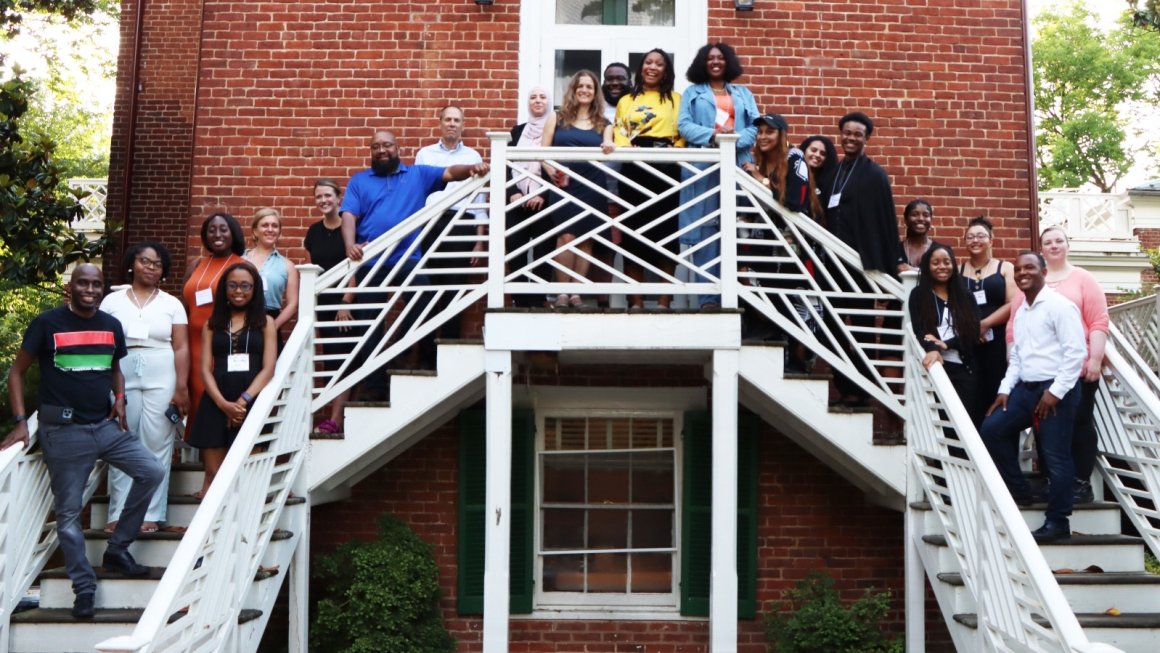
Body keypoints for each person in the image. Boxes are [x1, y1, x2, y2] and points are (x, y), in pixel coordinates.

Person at [2, 264, 163, 618]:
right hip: (64, 432)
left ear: (103, 289)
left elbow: (115, 369)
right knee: (69, 513)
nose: (90, 289)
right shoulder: (47, 323)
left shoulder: (110, 325)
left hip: (104, 426)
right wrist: (19, 421)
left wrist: (119, 398)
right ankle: (83, 587)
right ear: (70, 287)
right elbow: (17, 372)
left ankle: (118, 548)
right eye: (83, 283)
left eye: (96, 284)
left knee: (151, 471)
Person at [340, 129, 488, 399]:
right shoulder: (359, 180)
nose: (381, 150)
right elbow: (348, 214)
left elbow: (450, 172)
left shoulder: (417, 175)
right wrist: (350, 244)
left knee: (425, 300)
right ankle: (375, 387)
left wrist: (472, 168)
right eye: (375, 147)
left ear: (397, 148)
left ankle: (399, 351)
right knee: (368, 324)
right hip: (370, 260)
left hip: (406, 258)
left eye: (386, 145)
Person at [982, 251, 1086, 543]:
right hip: (1025, 390)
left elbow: (1076, 353)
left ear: (1043, 271)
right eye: (1017, 269)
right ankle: (1020, 490)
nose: (1022, 273)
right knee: (991, 430)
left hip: (1057, 391)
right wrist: (1004, 390)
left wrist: (1055, 392)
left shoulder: (1060, 306)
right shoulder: (1023, 309)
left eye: (1029, 267)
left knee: (1055, 457)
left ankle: (1058, 521)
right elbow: (1017, 357)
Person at [1007, 226, 1109, 504]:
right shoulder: (1029, 279)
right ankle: (1053, 480)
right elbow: (1013, 327)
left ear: (1067, 244)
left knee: (1079, 423)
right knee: (1044, 425)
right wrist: (1013, 367)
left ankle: (1080, 483)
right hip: (1040, 372)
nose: (1054, 246)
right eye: (1048, 242)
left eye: (1059, 241)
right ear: (1042, 249)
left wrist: (1096, 359)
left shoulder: (1083, 279)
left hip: (1078, 367)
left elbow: (1098, 321)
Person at [99, 242, 189, 534]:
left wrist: (182, 387)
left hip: (162, 371)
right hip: (122, 369)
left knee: (157, 442)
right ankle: (119, 513)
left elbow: (182, 347)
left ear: (163, 271)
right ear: (131, 264)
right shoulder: (112, 302)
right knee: (122, 441)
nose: (150, 267)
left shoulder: (171, 303)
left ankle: (150, 513)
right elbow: (101, 344)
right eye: (144, 261)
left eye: (157, 264)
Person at [823, 112, 901, 406]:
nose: (851, 138)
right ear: (840, 135)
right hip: (831, 267)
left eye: (857, 134)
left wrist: (892, 264)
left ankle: (865, 391)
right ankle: (847, 386)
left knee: (863, 331)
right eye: (847, 133)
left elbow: (886, 224)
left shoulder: (875, 175)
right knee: (830, 327)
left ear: (866, 138)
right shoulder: (833, 173)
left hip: (860, 269)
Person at [678, 42, 760, 309]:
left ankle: (738, 295)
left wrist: (733, 140)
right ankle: (709, 298)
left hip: (738, 164)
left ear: (728, 63)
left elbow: (756, 126)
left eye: (720, 58)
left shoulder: (743, 93)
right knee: (706, 230)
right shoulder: (692, 92)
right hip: (704, 168)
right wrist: (714, 136)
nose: (715, 62)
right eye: (710, 58)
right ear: (703, 63)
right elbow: (684, 126)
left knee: (738, 228)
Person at [187, 262, 277, 497]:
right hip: (216, 402)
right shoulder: (211, 324)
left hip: (252, 403)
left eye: (245, 286)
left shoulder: (266, 322)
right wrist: (224, 405)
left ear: (255, 289)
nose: (239, 291)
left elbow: (269, 368)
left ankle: (246, 531)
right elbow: (205, 369)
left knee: (249, 472)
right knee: (214, 473)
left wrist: (243, 401)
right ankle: (208, 533)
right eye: (233, 285)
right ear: (224, 289)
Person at [613, 48, 685, 312]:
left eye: (659, 64)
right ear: (641, 68)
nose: (652, 67)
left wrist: (676, 149)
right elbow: (619, 129)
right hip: (634, 167)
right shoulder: (627, 100)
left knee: (666, 232)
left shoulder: (676, 99)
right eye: (648, 62)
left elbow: (683, 132)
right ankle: (637, 300)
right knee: (634, 231)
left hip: (666, 167)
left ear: (666, 70)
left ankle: (665, 300)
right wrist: (626, 148)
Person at [542, 70, 616, 309]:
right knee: (565, 237)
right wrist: (551, 170)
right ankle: (563, 292)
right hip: (564, 184)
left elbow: (609, 144)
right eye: (580, 86)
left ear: (595, 94)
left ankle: (576, 293)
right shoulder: (556, 117)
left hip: (592, 184)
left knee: (586, 240)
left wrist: (609, 144)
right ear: (573, 90)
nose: (584, 90)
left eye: (590, 87)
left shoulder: (604, 123)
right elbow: (542, 153)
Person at [415, 106, 489, 344]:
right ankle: (425, 355)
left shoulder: (473, 157)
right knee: (427, 288)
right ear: (440, 123)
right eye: (448, 119)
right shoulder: (424, 154)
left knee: (454, 287)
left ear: (463, 125)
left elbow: (479, 202)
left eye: (457, 120)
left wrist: (479, 241)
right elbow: (417, 196)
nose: (452, 124)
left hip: (461, 225)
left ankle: (447, 345)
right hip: (432, 224)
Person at [182, 212, 247, 433]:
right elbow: (185, 305)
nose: (217, 234)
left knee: (215, 396)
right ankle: (201, 455)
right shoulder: (196, 265)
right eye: (211, 230)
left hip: (220, 343)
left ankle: (218, 456)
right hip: (191, 344)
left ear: (233, 233)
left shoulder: (242, 266)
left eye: (223, 229)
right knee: (195, 397)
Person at [303, 179, 354, 434]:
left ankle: (336, 418)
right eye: (319, 197)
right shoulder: (313, 232)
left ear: (338, 197)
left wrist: (346, 301)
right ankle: (332, 416)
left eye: (327, 196)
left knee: (343, 357)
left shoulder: (349, 224)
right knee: (329, 359)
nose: (323, 201)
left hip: (344, 303)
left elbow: (353, 266)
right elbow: (312, 271)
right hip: (322, 303)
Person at [908, 244, 980, 409]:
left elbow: (973, 331)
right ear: (927, 266)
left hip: (965, 368)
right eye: (936, 263)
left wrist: (948, 343)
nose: (942, 267)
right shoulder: (919, 295)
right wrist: (932, 347)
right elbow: (920, 329)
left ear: (953, 265)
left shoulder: (965, 295)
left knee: (965, 416)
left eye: (947, 262)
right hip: (937, 364)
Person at [960, 215, 1016, 427]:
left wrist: (985, 324)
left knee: (997, 390)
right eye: (970, 236)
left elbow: (1012, 303)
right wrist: (972, 328)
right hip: (968, 342)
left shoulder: (1005, 268)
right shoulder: (958, 271)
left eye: (981, 236)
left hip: (998, 343)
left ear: (991, 240)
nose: (975, 240)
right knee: (972, 395)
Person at [507, 87, 553, 308]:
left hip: (544, 201)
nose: (537, 100)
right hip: (516, 200)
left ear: (549, 102)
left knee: (544, 250)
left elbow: (555, 165)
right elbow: (506, 164)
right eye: (532, 97)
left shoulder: (554, 129)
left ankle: (539, 298)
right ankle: (520, 298)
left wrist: (543, 192)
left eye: (542, 97)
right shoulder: (517, 132)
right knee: (514, 249)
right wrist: (511, 192)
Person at [244, 207, 299, 346]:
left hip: (270, 321)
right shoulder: (240, 260)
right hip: (240, 320)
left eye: (275, 226)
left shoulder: (287, 265)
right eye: (265, 225)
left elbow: (293, 304)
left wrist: (273, 326)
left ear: (279, 231)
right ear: (255, 231)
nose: (270, 229)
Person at [798, 135, 838, 225]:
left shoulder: (830, 185)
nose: (817, 155)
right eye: (813, 150)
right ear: (804, 150)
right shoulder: (791, 175)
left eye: (822, 153)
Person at [898, 199, 936, 271]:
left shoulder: (941, 250)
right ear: (905, 220)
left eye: (926, 215)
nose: (921, 219)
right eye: (914, 214)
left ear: (931, 220)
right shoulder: (895, 251)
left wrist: (913, 270)